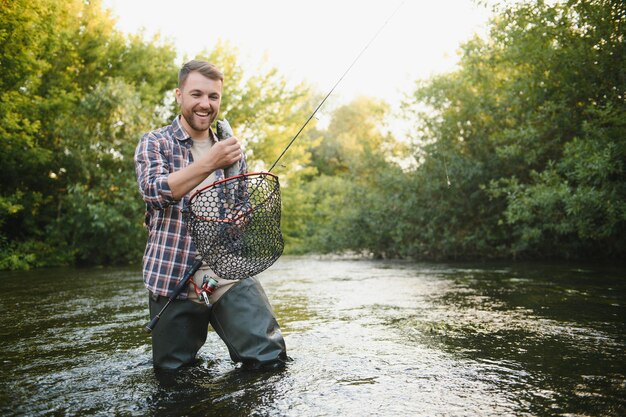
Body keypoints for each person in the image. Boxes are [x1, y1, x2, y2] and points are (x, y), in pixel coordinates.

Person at [134, 60, 288, 370]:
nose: (205, 104)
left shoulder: (232, 151)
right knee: (173, 377)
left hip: (226, 267)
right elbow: (153, 191)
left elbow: (241, 202)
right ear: (179, 95)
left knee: (269, 359)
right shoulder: (155, 143)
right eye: (197, 94)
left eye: (213, 97)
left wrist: (240, 217)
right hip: (172, 273)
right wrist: (209, 163)